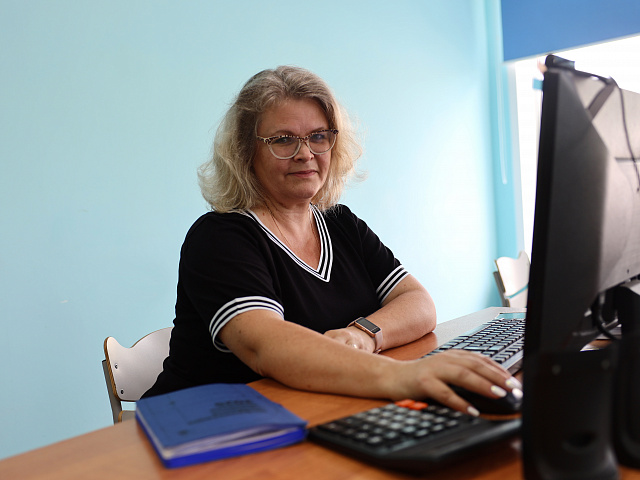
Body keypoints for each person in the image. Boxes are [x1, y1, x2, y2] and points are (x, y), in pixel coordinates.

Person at [144, 66, 521, 416]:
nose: (305, 153)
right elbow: (266, 347)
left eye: (318, 136)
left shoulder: (341, 223)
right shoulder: (220, 237)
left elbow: (418, 303)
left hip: (306, 413)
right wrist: (403, 376)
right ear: (246, 152)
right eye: (283, 140)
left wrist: (363, 335)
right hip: (200, 429)